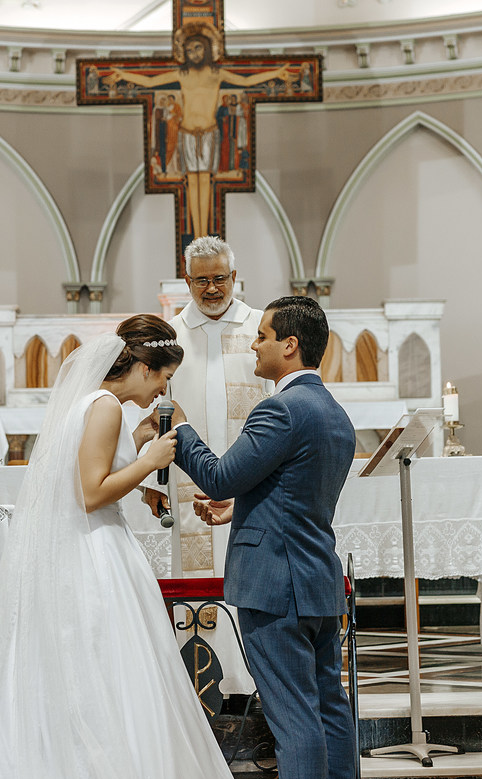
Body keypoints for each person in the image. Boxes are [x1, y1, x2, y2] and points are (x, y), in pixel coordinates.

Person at [0, 315, 242, 779]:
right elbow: (88, 493)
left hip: (82, 547)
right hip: (93, 555)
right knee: (108, 671)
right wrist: (149, 462)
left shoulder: (94, 402)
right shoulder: (104, 406)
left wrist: (141, 473)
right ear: (145, 367)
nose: (164, 390)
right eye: (165, 378)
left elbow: (83, 477)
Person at [175, 295, 357, 779]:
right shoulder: (333, 412)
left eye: (263, 336)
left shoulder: (279, 409)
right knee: (329, 707)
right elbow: (299, 493)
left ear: (290, 345)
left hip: (276, 586)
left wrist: (181, 425)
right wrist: (243, 509)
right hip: (316, 579)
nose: (255, 345)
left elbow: (218, 475)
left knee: (294, 719)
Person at [141, 235, 271, 696]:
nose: (211, 288)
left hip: (252, 483)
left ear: (235, 277)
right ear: (188, 281)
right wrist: (150, 483)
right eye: (201, 280)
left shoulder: (262, 329)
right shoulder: (169, 335)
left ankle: (255, 689)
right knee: (196, 586)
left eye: (220, 278)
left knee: (251, 581)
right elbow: (152, 412)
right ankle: (205, 690)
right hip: (187, 484)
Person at [106, 26, 294, 238]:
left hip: (208, 133)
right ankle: (196, 236)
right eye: (189, 50)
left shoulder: (216, 74)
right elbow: (150, 81)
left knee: (205, 181)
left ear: (206, 48)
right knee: (191, 183)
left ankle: (203, 234)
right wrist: (123, 75)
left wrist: (276, 73)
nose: (194, 53)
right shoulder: (181, 74)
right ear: (184, 53)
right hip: (186, 133)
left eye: (198, 48)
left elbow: (246, 81)